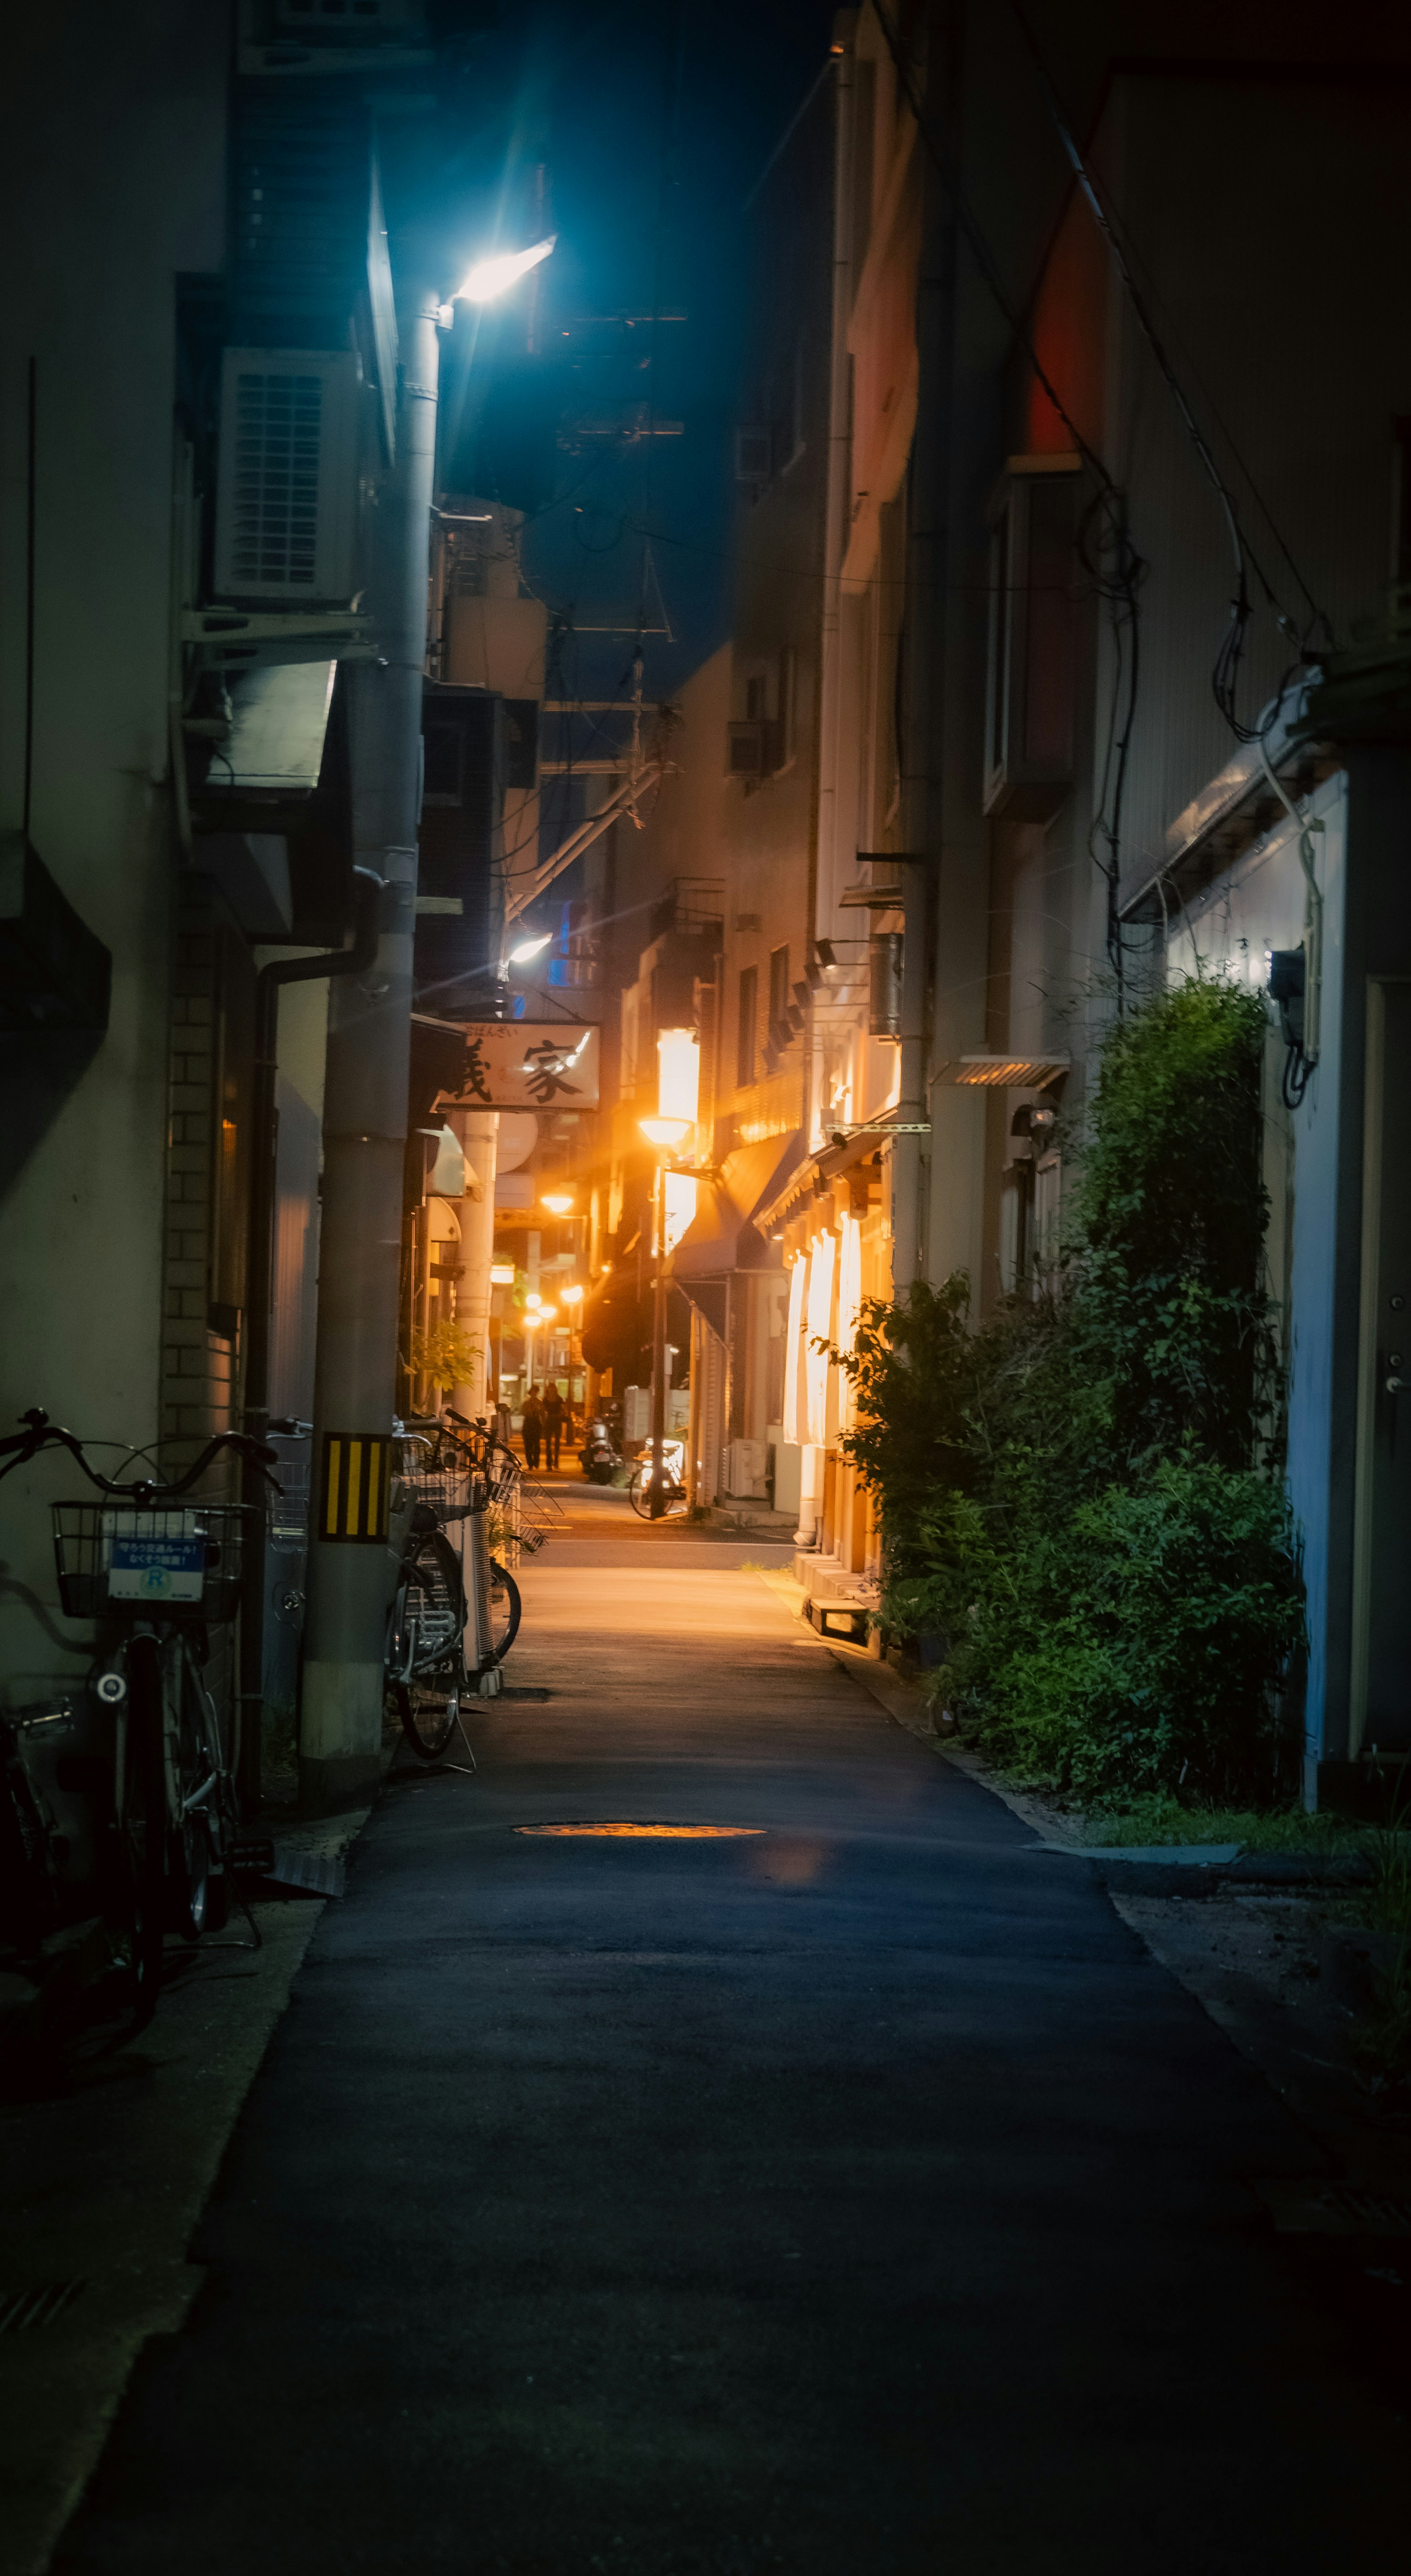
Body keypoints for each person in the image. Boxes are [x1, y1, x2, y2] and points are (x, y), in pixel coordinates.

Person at [520, 1385, 543, 1474]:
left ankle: (536, 1461)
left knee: (537, 1444)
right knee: (528, 1445)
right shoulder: (526, 1403)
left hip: (536, 1423)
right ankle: (530, 1463)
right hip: (528, 1423)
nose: (534, 1393)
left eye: (536, 1392)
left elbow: (542, 1413)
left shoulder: (540, 1403)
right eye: (533, 1392)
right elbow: (523, 1412)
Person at [543, 1384, 566, 1471]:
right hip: (549, 1422)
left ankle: (556, 1462)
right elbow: (543, 1411)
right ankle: (549, 1463)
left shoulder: (560, 1399)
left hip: (557, 1422)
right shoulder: (545, 1400)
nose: (552, 1390)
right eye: (550, 1388)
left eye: (553, 1388)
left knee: (557, 1443)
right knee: (548, 1444)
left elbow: (563, 1410)